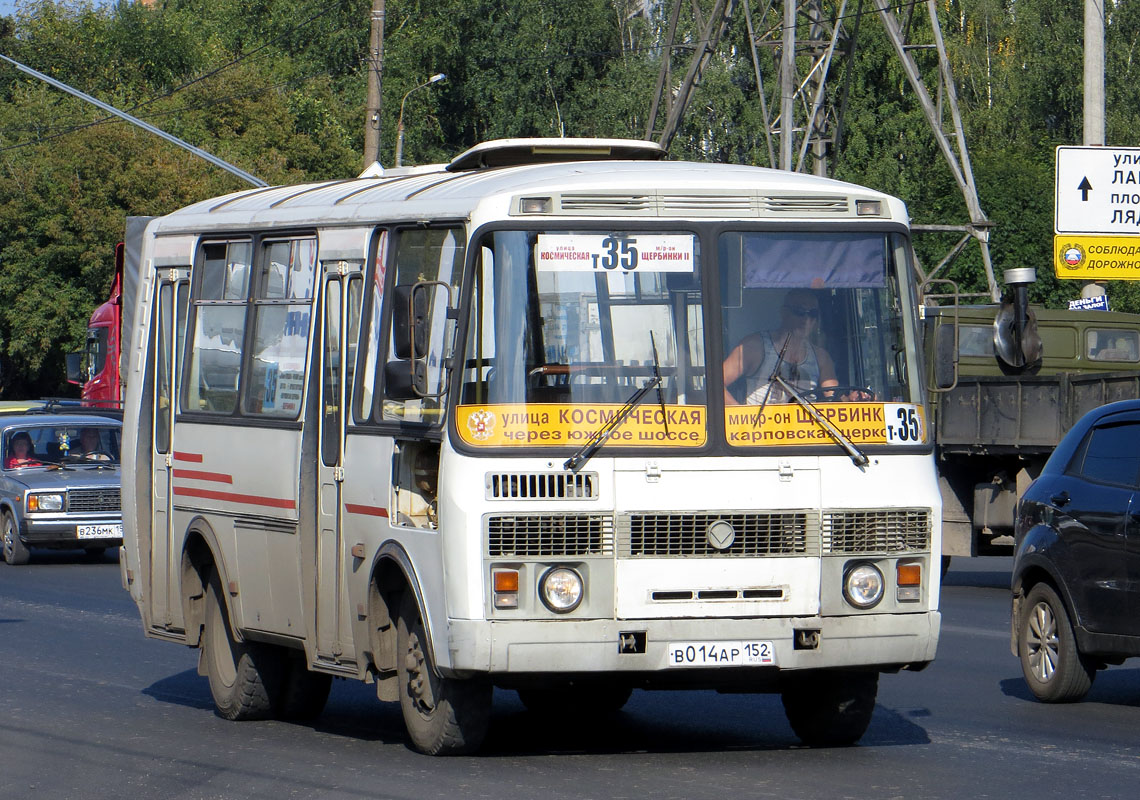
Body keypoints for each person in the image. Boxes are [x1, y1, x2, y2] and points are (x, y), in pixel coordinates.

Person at [723, 288, 846, 405]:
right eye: (800, 312)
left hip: (806, 425)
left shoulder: (820, 357)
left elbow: (834, 398)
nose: (806, 319)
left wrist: (852, 400)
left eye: (812, 314)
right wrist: (742, 419)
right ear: (784, 313)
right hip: (762, 425)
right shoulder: (754, 346)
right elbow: (715, 385)